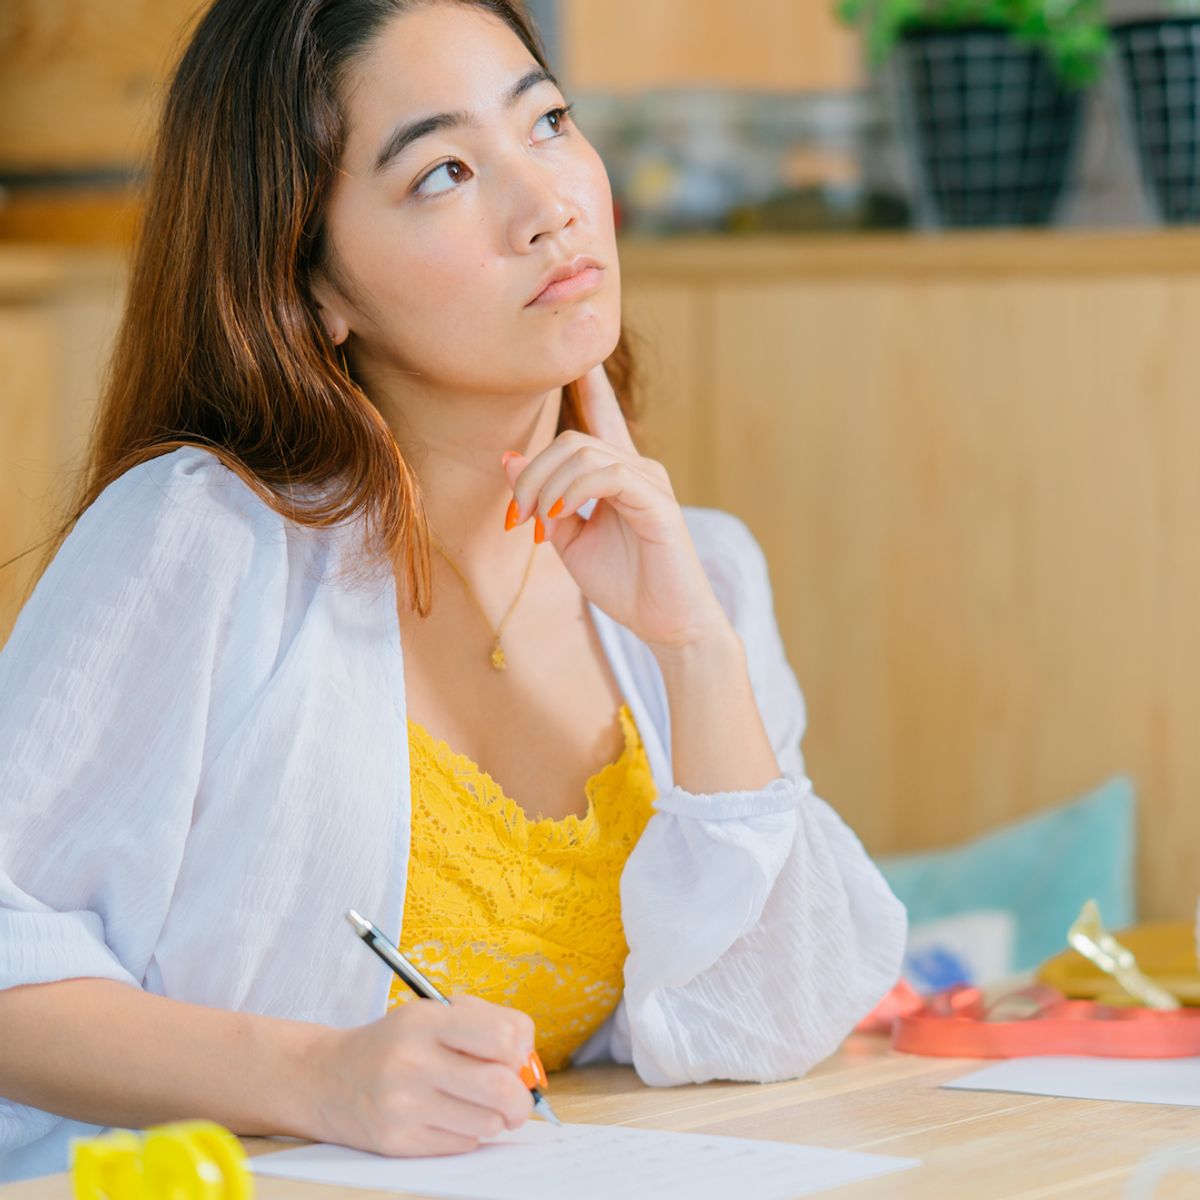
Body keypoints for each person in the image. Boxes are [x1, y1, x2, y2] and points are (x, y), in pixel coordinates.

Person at [0, 0, 906, 1181]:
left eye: (549, 123)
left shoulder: (702, 571)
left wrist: (695, 646)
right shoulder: (205, 535)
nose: (548, 206)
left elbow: (764, 1028)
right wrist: (315, 1078)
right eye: (441, 173)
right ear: (312, 283)